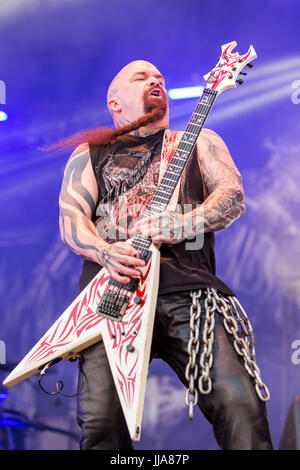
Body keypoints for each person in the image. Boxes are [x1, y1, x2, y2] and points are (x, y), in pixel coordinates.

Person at [58, 60, 273, 450]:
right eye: (141, 77)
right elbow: (71, 220)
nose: (155, 79)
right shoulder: (90, 153)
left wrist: (182, 223)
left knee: (240, 404)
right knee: (102, 424)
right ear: (115, 102)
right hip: (112, 297)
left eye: (159, 77)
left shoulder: (201, 140)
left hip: (187, 292)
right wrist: (106, 251)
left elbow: (232, 196)